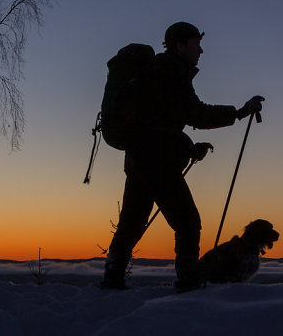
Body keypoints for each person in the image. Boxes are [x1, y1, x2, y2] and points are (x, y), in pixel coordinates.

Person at [102, 21, 264, 293]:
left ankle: (112, 278)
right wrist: (238, 112)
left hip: (139, 158)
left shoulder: (156, 71)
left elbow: (162, 122)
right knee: (188, 222)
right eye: (196, 43)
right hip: (157, 161)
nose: (200, 50)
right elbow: (194, 114)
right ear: (180, 44)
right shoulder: (170, 71)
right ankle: (188, 281)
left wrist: (188, 149)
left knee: (132, 223)